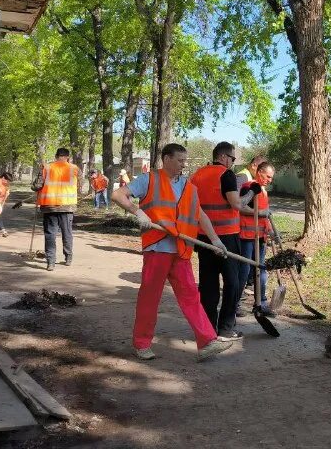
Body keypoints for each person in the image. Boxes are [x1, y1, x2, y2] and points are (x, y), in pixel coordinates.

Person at [111, 143, 233, 362]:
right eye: (179, 160)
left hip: (181, 249)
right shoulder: (148, 179)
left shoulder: (188, 186)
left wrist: (215, 240)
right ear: (166, 159)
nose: (183, 165)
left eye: (185, 161)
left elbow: (200, 215)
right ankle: (142, 344)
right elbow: (118, 195)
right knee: (150, 298)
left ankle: (207, 341)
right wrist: (138, 212)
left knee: (191, 297)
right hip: (157, 247)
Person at [190, 142, 254, 341]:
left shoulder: (197, 175)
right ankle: (226, 328)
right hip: (227, 237)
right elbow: (236, 204)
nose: (233, 163)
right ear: (224, 157)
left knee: (208, 285)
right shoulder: (226, 175)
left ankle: (208, 329)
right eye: (233, 159)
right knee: (232, 283)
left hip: (204, 238)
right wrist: (252, 193)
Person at [32, 148, 81, 271]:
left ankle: (51, 262)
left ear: (56, 156)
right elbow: (81, 183)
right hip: (67, 206)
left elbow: (37, 185)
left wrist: (35, 187)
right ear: (68, 157)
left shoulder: (46, 167)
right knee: (67, 233)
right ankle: (68, 258)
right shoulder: (74, 168)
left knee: (50, 234)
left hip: (50, 207)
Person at [237, 162, 276, 317]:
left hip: (260, 237)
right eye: (267, 176)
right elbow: (242, 207)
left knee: (261, 270)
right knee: (245, 270)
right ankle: (235, 303)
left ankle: (261, 303)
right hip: (247, 237)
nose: (269, 180)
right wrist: (260, 212)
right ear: (259, 172)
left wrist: (271, 231)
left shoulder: (264, 191)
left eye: (271, 178)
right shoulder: (249, 187)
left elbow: (264, 215)